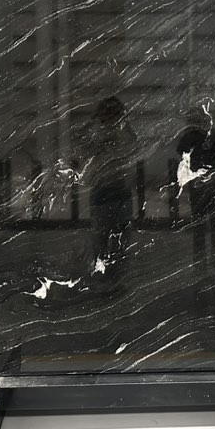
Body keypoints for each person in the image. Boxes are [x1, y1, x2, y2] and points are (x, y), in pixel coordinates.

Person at [73, 96, 137, 289]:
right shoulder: (100, 136)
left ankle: (112, 279)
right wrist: (94, 121)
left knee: (113, 240)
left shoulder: (119, 134)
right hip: (106, 192)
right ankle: (109, 279)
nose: (110, 119)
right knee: (104, 240)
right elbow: (80, 141)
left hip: (115, 192)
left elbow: (133, 144)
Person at [177, 108, 215, 277]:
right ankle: (214, 263)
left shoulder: (199, 136)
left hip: (203, 184)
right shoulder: (208, 136)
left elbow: (181, 150)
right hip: (208, 184)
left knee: (203, 226)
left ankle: (205, 264)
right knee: (212, 226)